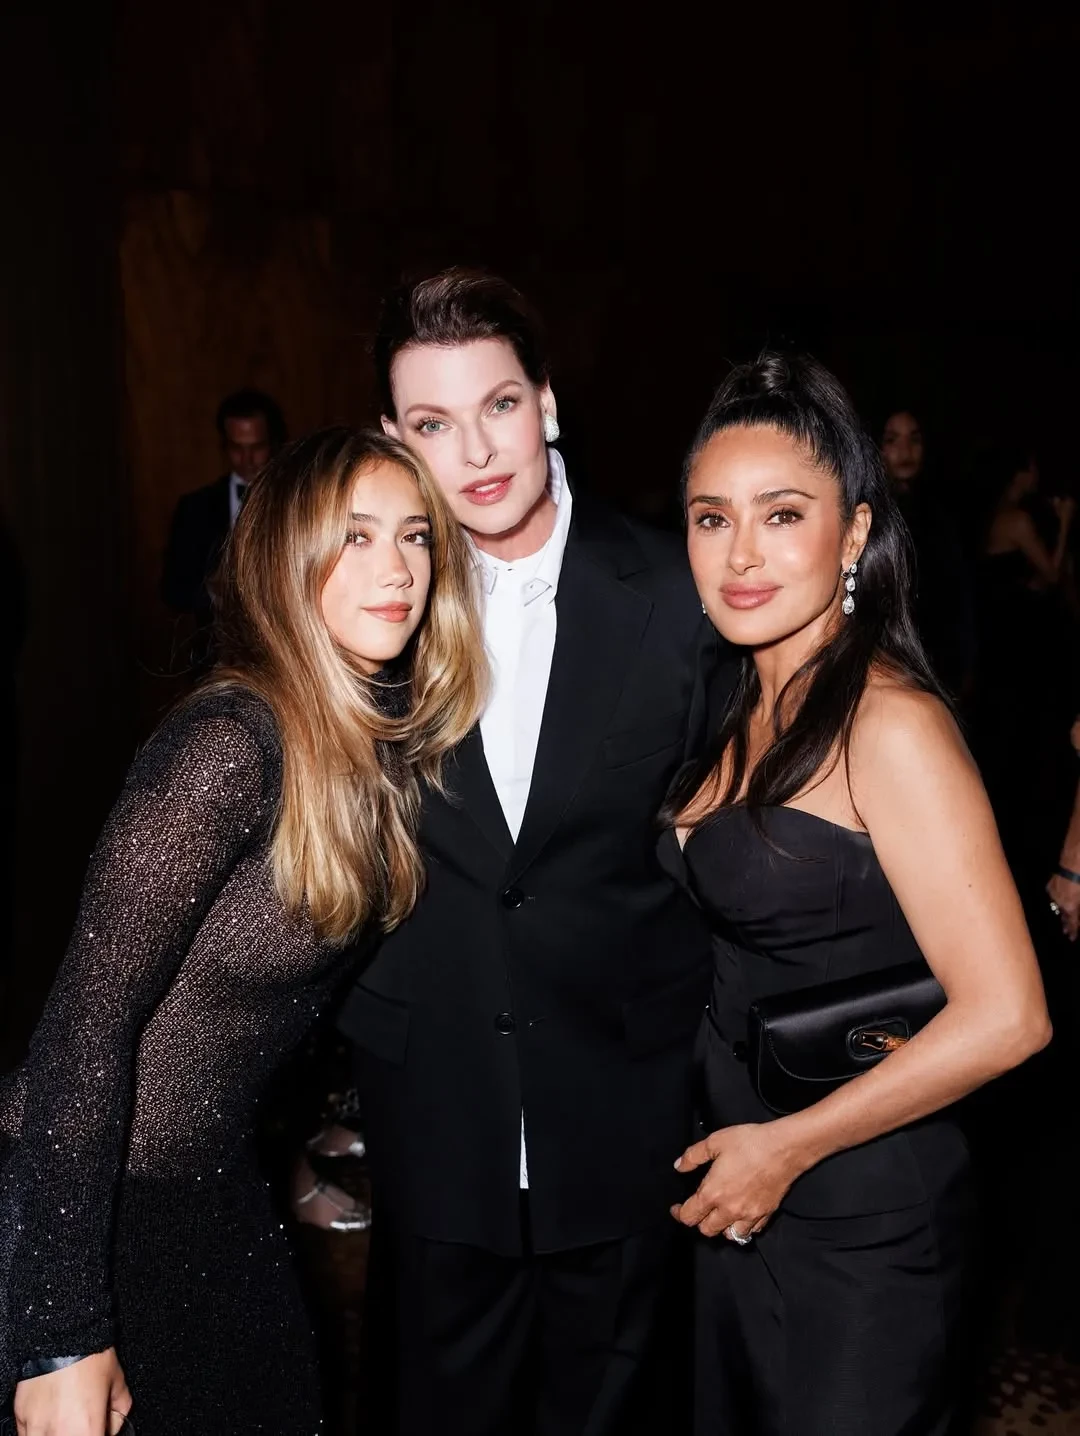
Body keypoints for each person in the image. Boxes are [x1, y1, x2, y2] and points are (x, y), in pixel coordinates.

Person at [0, 427, 486, 1434]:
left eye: (414, 536)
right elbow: (82, 1033)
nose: (398, 569)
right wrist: (58, 1329)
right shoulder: (229, 745)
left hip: (212, 1189)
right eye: (355, 536)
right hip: (87, 1203)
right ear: (286, 556)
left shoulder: (367, 745)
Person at [338, 268, 726, 1436]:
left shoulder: (679, 591)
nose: (476, 451)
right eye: (433, 423)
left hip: (624, 1109)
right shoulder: (367, 603)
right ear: (394, 438)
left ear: (546, 401)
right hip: (434, 1109)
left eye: (499, 405)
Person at [659, 353, 1051, 1435]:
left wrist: (786, 1148)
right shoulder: (737, 700)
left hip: (861, 1212)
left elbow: (1011, 1015)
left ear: (856, 533)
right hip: (736, 1191)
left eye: (782, 514)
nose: (740, 552)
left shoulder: (891, 723)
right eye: (711, 517)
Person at [161, 388, 287, 665]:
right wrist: (213, 591)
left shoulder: (295, 501)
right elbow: (173, 590)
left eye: (257, 447)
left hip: (285, 654)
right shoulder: (195, 508)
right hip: (215, 659)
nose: (247, 459)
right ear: (223, 446)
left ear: (274, 443)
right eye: (236, 448)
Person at [879, 408, 975, 700]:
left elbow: (961, 593)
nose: (905, 450)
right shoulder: (866, 517)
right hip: (882, 667)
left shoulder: (945, 515)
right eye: (893, 440)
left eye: (915, 439)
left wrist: (967, 660)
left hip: (939, 665)